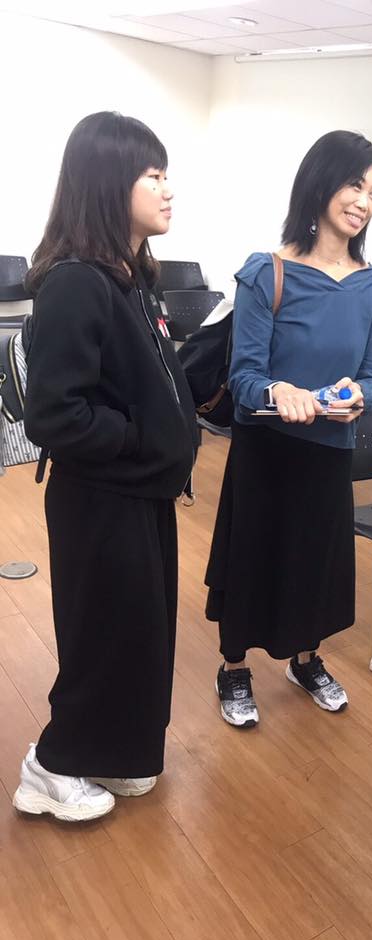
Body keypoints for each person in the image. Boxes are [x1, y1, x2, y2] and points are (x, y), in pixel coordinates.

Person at [13, 112, 197, 822]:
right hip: (99, 498)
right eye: (152, 175)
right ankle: (51, 765)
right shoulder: (75, 284)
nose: (167, 189)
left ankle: (113, 752)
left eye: (165, 173)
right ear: (108, 182)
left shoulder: (132, 278)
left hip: (141, 492)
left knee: (138, 634)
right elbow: (55, 416)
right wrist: (144, 436)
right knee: (102, 638)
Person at [205, 130, 372, 727]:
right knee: (252, 560)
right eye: (354, 184)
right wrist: (278, 391)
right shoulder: (268, 272)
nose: (363, 201)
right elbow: (244, 377)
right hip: (267, 452)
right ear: (320, 182)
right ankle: (234, 668)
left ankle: (306, 660)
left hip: (330, 449)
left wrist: (362, 395)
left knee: (315, 562)